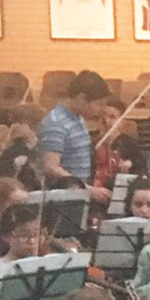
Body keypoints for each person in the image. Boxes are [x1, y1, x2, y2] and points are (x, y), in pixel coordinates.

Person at [37, 70, 113, 203]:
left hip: (78, 193)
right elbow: (51, 167)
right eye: (98, 104)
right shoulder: (56, 122)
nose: (100, 109)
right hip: (62, 197)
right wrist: (87, 189)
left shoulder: (78, 118)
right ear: (81, 97)